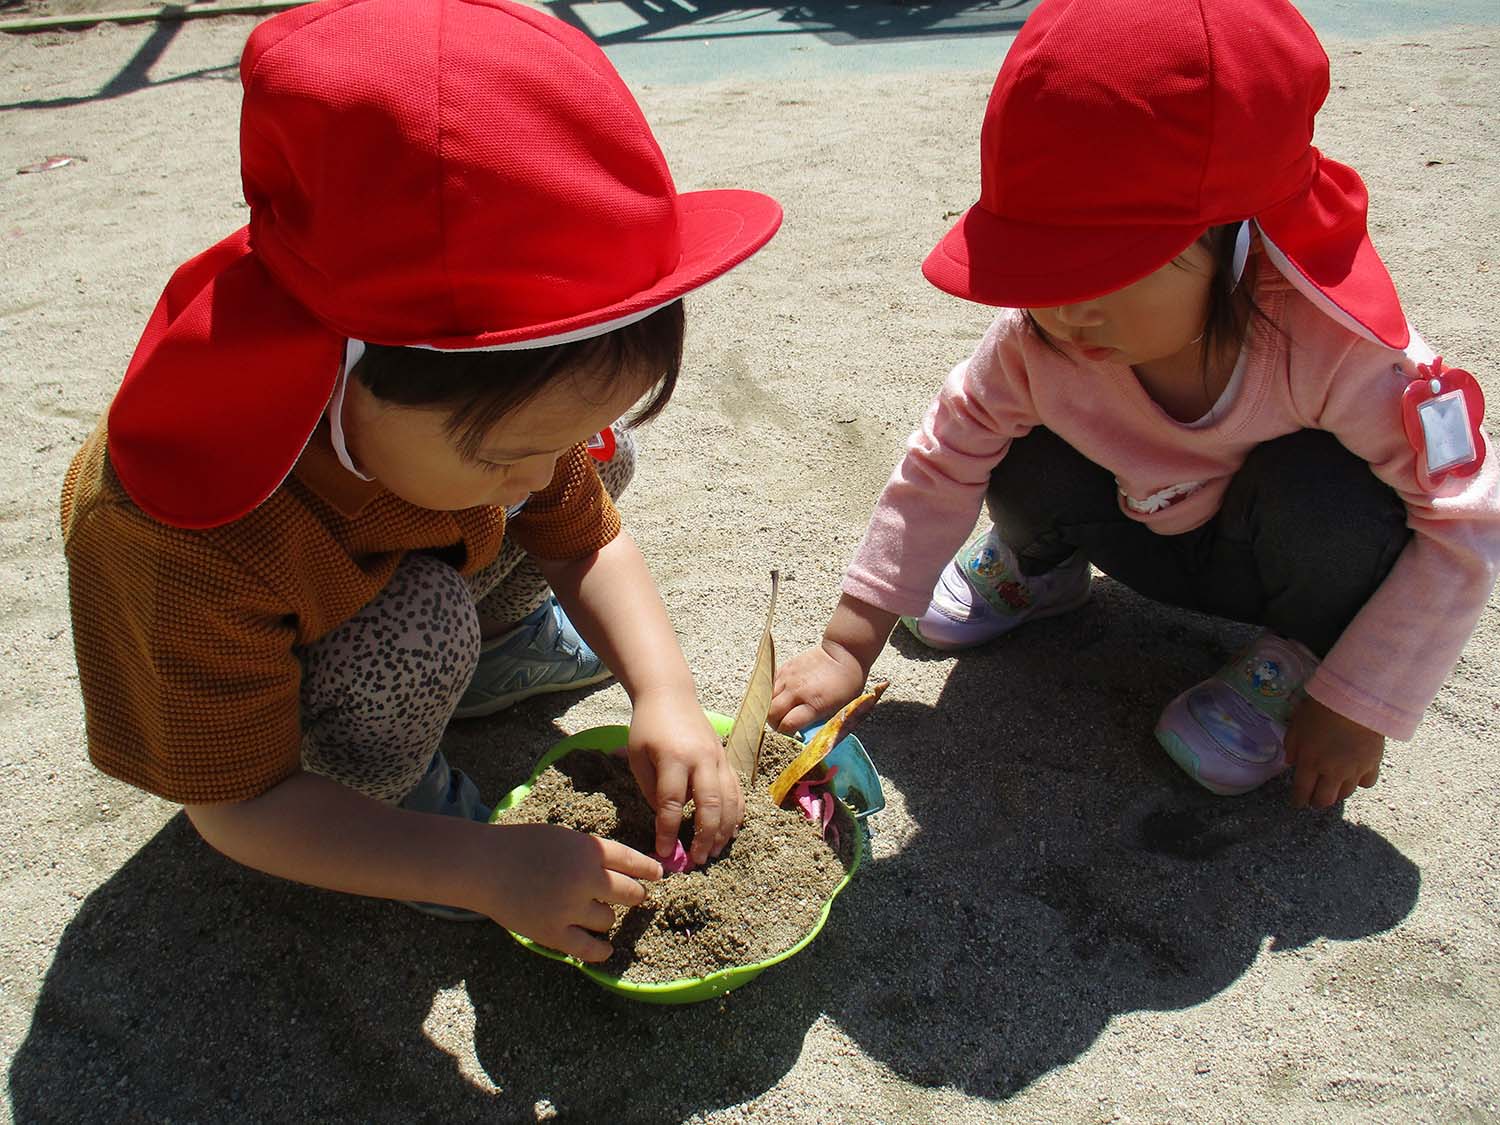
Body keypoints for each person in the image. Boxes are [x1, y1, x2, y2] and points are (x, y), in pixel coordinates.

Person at [60, 0, 782, 962]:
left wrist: (667, 692)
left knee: (598, 468)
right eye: (501, 452)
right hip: (313, 680)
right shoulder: (183, 538)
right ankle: (395, 802)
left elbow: (591, 535)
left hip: (414, 548)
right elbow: (236, 803)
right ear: (347, 370)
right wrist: (482, 867)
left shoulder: (465, 421)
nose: (540, 470)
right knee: (417, 631)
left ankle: (501, 646)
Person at [769, 0, 1499, 810]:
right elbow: (946, 455)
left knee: (1334, 498)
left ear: (1234, 234)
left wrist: (1360, 698)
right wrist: (849, 642)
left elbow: (1466, 519)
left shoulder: (1339, 346)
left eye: (1101, 268)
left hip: (1271, 568)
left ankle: (1295, 662)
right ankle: (1036, 568)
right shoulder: (1043, 337)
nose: (1065, 310)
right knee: (1008, 435)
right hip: (1133, 528)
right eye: (1041, 271)